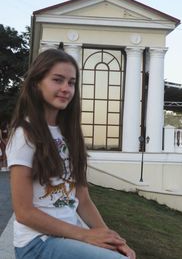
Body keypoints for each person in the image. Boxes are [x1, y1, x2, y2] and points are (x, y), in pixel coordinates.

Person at [6, 49, 136, 259]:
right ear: (36, 83)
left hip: (69, 237)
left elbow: (82, 199)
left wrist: (112, 239)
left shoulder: (70, 134)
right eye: (58, 80)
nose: (66, 88)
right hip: (37, 244)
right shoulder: (25, 134)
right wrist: (85, 236)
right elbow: (24, 212)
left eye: (72, 82)